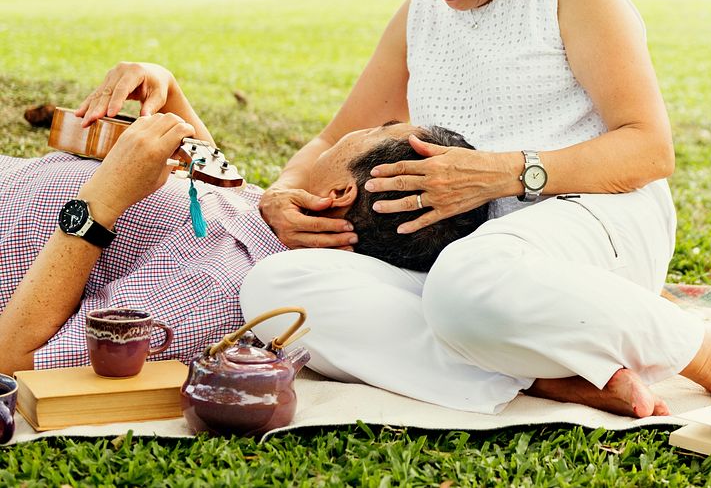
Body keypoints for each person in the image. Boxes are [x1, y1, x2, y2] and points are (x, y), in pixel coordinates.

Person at [234, 0, 711, 418]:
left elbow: (649, 149)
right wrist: (279, 194)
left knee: (466, 284)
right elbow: (334, 138)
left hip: (592, 217)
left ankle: (710, 355)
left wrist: (502, 175)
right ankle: (538, 377)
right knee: (275, 289)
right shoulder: (421, 14)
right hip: (465, 259)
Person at [0, 63, 488, 375]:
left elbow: (16, 360)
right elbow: (215, 192)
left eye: (374, 132)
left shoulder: (215, 289)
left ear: (340, 193)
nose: (356, 130)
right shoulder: (281, 222)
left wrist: (101, 202)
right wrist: (165, 88)